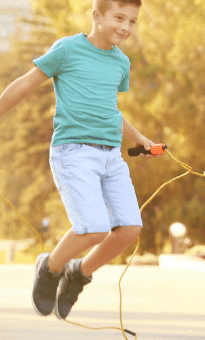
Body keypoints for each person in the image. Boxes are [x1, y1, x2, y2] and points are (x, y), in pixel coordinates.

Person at [0, 0, 159, 320]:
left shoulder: (120, 62)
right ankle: (50, 266)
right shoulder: (68, 49)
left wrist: (139, 138)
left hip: (111, 156)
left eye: (132, 21)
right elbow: (24, 85)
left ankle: (78, 274)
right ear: (96, 15)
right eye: (119, 18)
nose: (126, 27)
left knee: (129, 230)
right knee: (93, 228)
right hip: (73, 152)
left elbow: (108, 110)